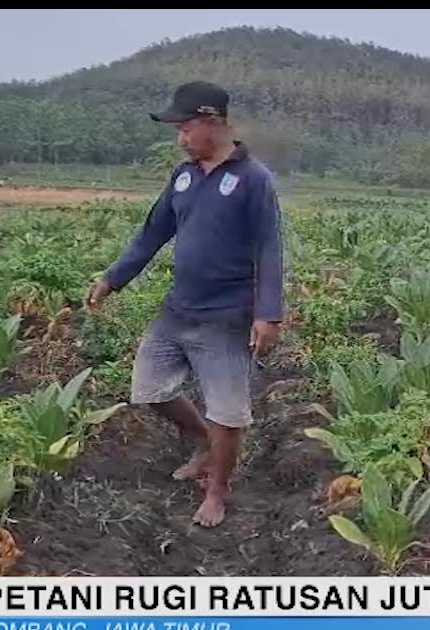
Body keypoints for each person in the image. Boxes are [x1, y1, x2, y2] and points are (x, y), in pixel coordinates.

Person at [84, 81, 285, 528]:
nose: (180, 138)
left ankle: (217, 490)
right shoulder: (184, 175)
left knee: (228, 413)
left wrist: (268, 313)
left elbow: (270, 248)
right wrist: (112, 279)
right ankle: (203, 444)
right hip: (178, 309)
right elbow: (153, 233)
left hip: (227, 315)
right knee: (150, 389)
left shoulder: (254, 179)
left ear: (212, 122)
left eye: (185, 127)